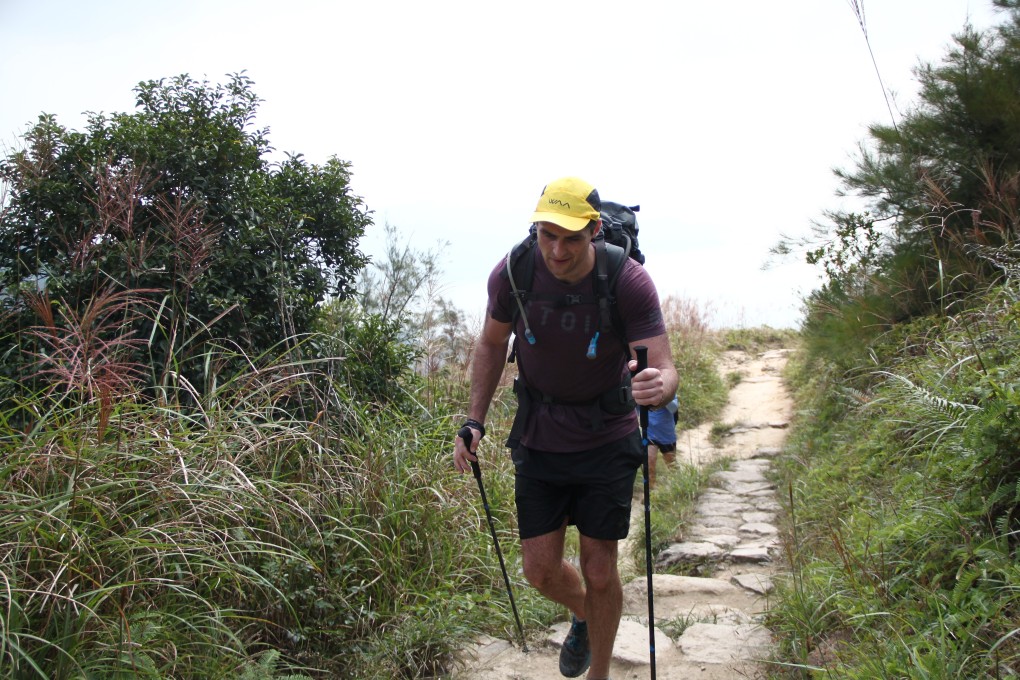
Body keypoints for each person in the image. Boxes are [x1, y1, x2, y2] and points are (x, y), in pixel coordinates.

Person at [453, 176, 678, 680]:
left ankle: (599, 672)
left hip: (607, 434)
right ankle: (584, 616)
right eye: (547, 235)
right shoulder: (514, 272)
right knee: (539, 571)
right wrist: (475, 421)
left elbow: (664, 365)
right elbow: (491, 345)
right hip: (539, 434)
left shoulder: (626, 279)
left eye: (571, 238)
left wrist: (657, 388)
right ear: (536, 228)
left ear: (595, 231)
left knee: (600, 570)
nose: (557, 250)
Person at [646, 397, 679, 489]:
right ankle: (651, 492)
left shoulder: (667, 389)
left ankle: (678, 485)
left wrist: (661, 397)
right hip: (649, 433)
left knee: (671, 463)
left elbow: (674, 408)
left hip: (667, 434)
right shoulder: (644, 390)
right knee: (649, 462)